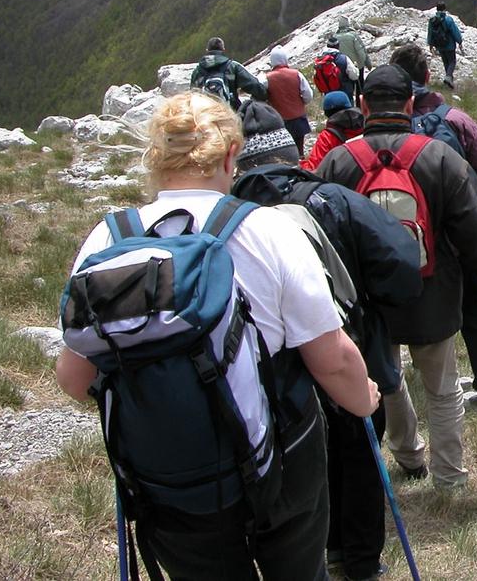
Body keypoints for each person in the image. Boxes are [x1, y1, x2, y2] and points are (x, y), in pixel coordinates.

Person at [56, 92, 379, 580]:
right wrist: (364, 400)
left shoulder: (109, 240)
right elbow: (330, 357)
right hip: (281, 456)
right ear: (231, 156)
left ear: (155, 159)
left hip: (169, 477)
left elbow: (73, 377)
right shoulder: (268, 230)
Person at [232, 102, 421, 581]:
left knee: (291, 459)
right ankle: (358, 560)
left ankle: (310, 553)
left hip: (267, 371)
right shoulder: (330, 199)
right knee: (357, 450)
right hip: (345, 346)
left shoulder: (226, 218)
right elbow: (401, 260)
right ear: (291, 154)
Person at [316, 64, 477, 490]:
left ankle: (408, 457)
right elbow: (475, 226)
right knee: (442, 389)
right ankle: (450, 476)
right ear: (409, 104)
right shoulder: (438, 157)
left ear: (363, 105)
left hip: (369, 299)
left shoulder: (337, 162)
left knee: (386, 378)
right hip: (433, 293)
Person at [391, 43, 477, 408]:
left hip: (404, 237)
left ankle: (404, 387)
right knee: (473, 308)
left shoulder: (382, 130)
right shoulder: (454, 120)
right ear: (427, 75)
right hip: (458, 235)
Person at [190, 36, 266, 110]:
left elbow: (193, 95)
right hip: (230, 113)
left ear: (207, 50)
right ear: (223, 49)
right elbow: (254, 85)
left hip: (206, 115)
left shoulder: (197, 71)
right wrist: (264, 94)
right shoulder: (232, 66)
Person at [301, 90, 365, 172]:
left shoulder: (328, 136)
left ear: (326, 113)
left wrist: (301, 165)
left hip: (341, 177)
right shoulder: (367, 125)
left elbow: (314, 167)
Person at [264, 46, 313, 152]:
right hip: (298, 118)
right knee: (300, 149)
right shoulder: (297, 74)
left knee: (285, 152)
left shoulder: (267, 78)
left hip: (280, 121)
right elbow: (308, 95)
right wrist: (300, 104)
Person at [334, 16, 372, 102]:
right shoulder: (353, 35)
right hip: (357, 65)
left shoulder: (335, 37)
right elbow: (361, 51)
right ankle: (360, 104)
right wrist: (367, 63)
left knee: (347, 87)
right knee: (360, 86)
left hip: (343, 66)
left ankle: (349, 105)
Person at [426, 3, 464, 88]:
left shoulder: (432, 20)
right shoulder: (448, 20)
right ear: (444, 9)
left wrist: (430, 44)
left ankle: (449, 81)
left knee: (446, 62)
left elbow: (430, 32)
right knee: (452, 61)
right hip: (449, 45)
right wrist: (459, 41)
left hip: (439, 45)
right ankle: (448, 77)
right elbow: (455, 31)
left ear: (437, 9)